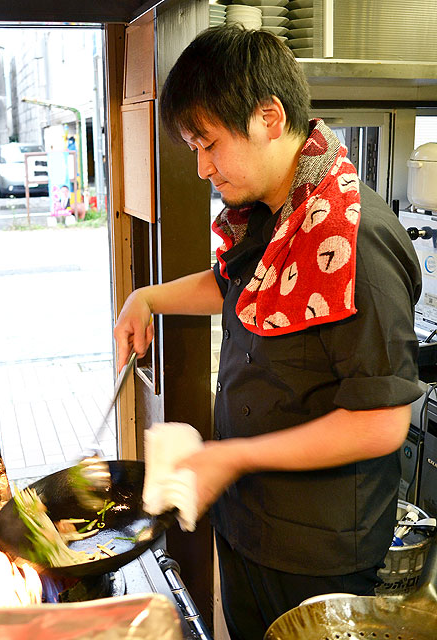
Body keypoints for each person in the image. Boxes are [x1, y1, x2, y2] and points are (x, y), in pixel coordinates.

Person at [114, 26, 423, 639]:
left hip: (318, 547)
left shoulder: (352, 237)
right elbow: (235, 285)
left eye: (209, 145)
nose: (202, 168)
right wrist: (145, 298)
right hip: (250, 522)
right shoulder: (274, 213)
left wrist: (231, 457)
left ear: (268, 116)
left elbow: (381, 422)